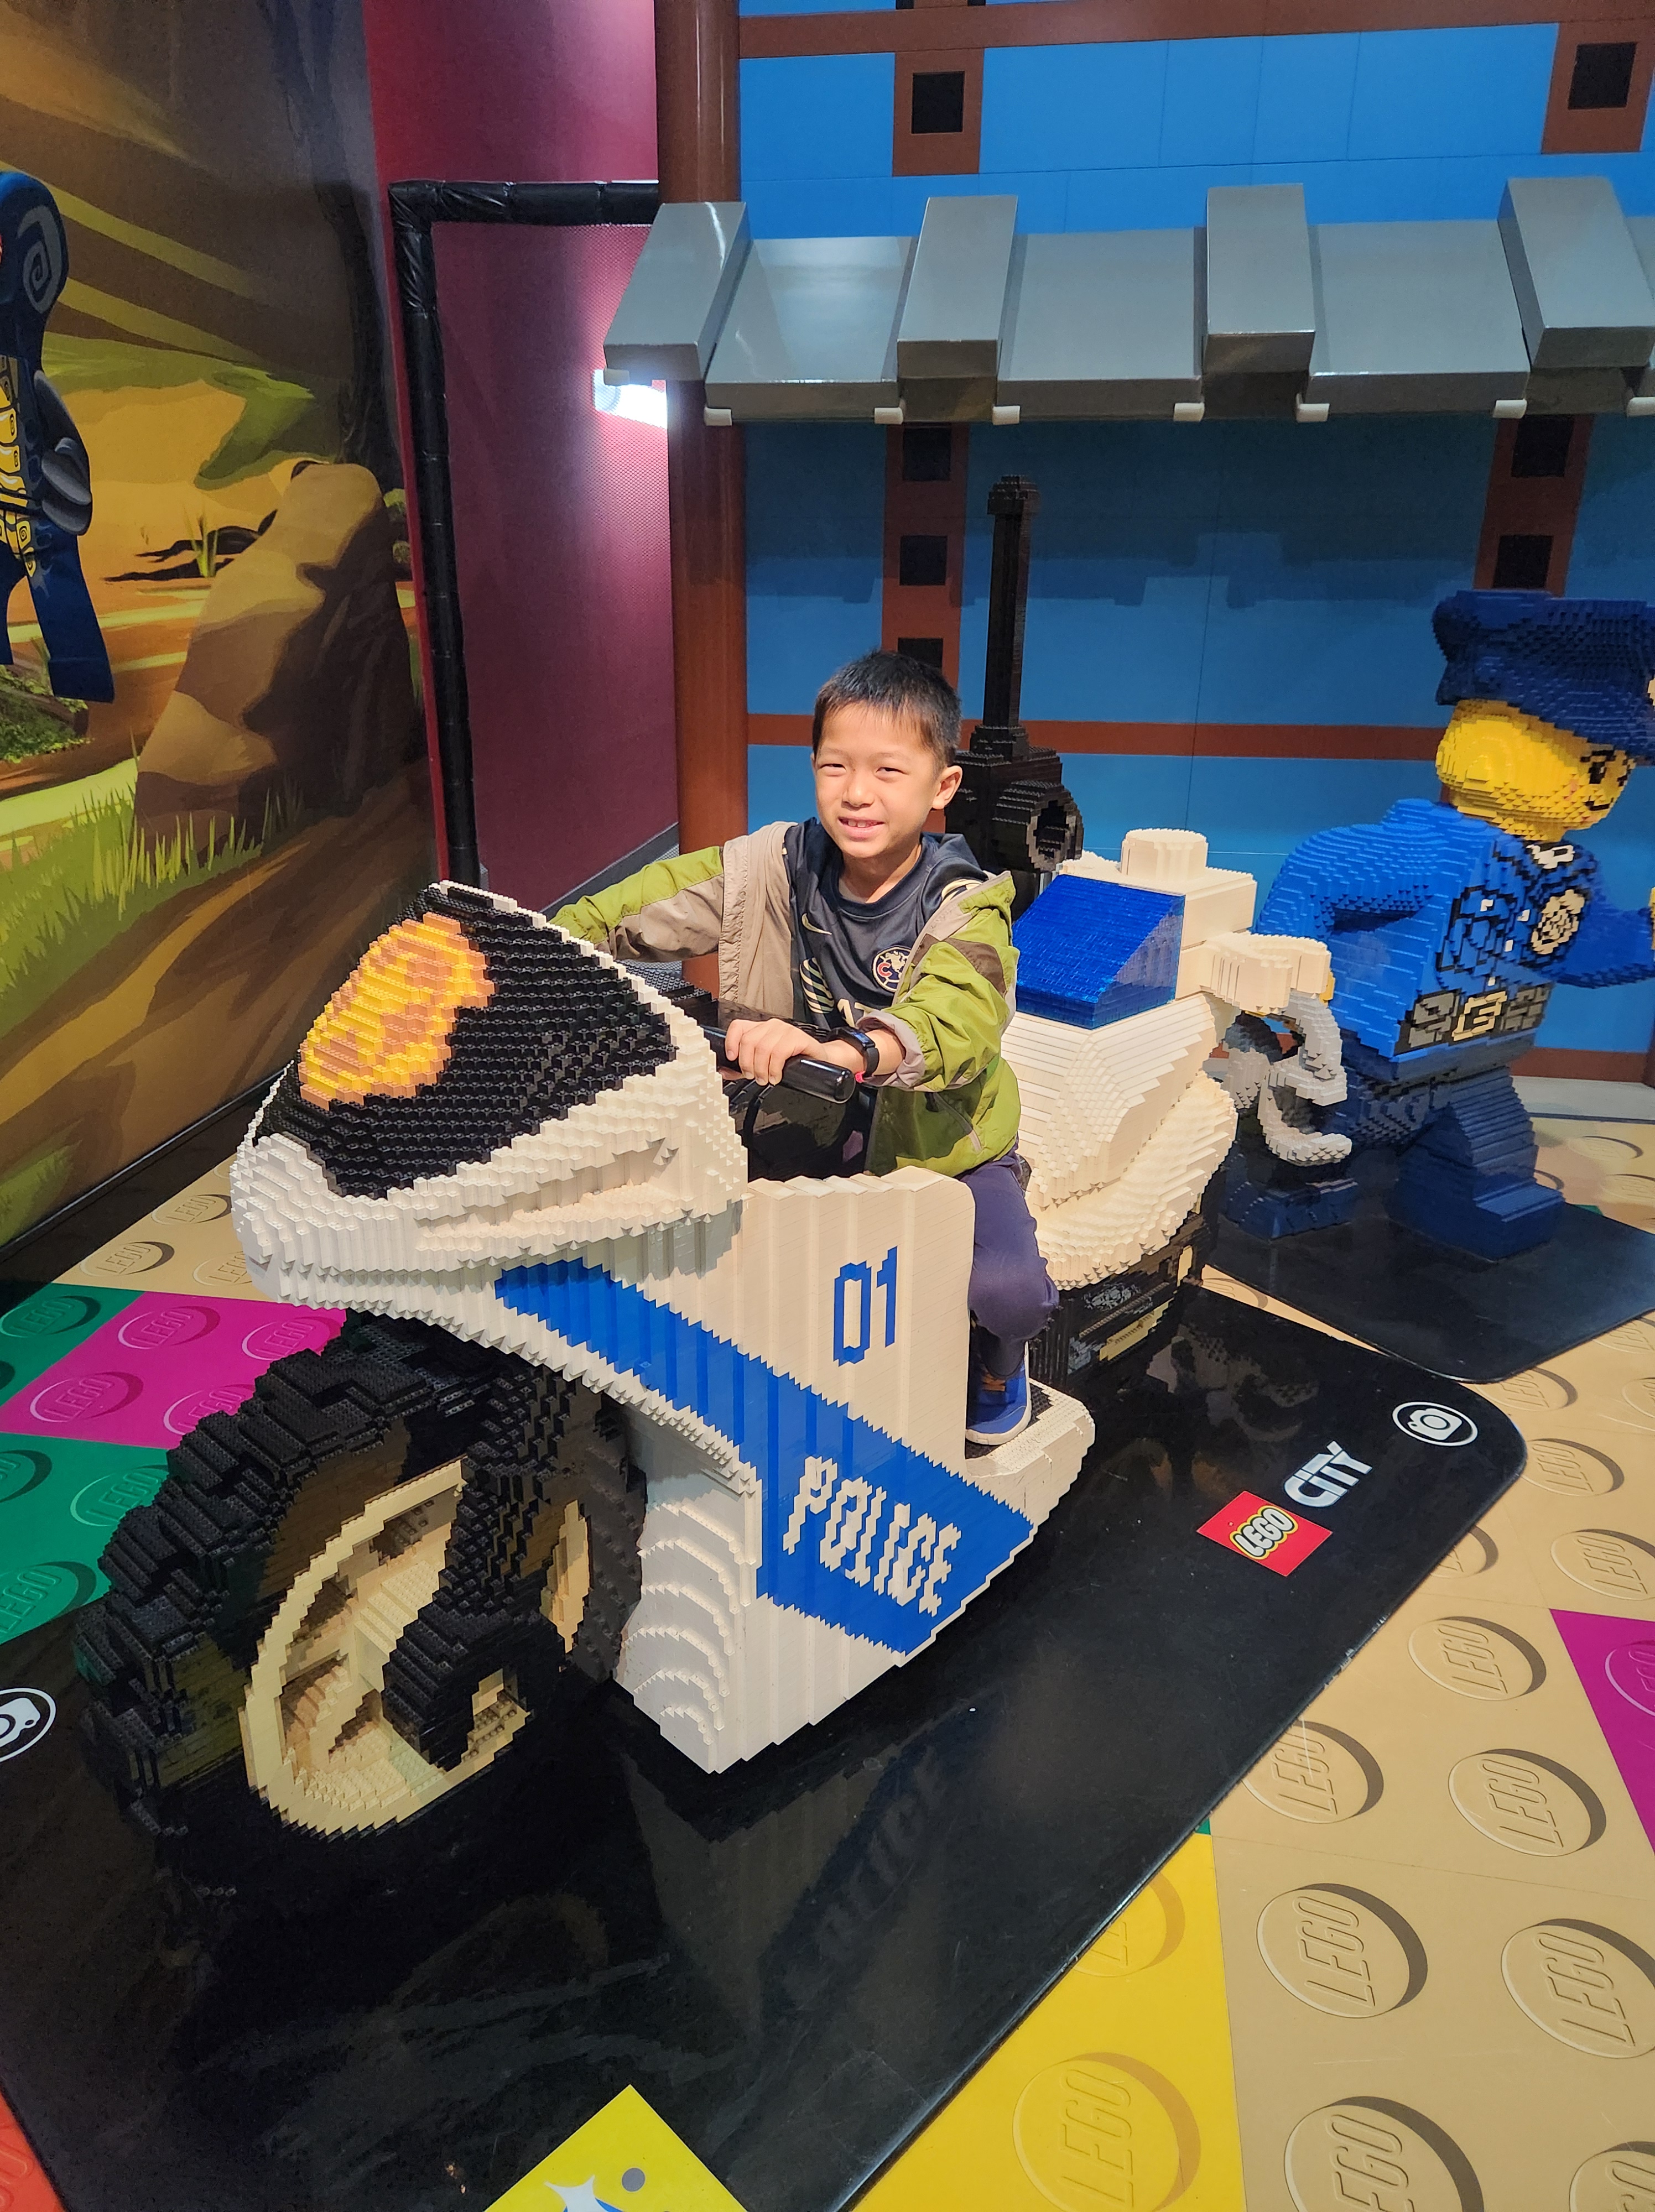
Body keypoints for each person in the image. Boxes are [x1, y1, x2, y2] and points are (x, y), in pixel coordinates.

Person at [552, 648, 1057, 1441]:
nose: (857, 792)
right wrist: (532, 944)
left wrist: (856, 1051)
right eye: (835, 767)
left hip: (940, 1139)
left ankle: (1000, 1359)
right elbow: (641, 905)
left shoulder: (966, 902)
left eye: (888, 770)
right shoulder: (774, 866)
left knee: (1008, 1292)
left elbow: (955, 1017)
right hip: (806, 1110)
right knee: (702, 1233)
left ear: (942, 786)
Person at [1225, 590, 1655, 1259]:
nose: (1601, 789)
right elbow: (1320, 868)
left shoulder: (1565, 867)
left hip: (1475, 1061)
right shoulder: (1428, 854)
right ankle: (1278, 1188)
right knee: (1301, 1164)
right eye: (1592, 763)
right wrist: (1291, 989)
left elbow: (1578, 948)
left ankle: (1452, 1190)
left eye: (1620, 772)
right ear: (1490, 739)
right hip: (1359, 1066)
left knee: (1493, 1169)